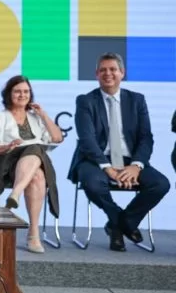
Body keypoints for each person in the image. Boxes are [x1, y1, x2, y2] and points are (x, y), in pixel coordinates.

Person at [68, 52, 170, 252]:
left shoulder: (137, 100)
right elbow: (87, 140)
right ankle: (123, 223)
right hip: (95, 159)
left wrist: (136, 165)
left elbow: (146, 137)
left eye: (113, 69)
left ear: (122, 73)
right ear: (96, 74)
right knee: (93, 184)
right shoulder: (85, 101)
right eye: (103, 70)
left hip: (130, 160)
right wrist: (107, 168)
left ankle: (117, 225)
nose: (108, 74)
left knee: (160, 184)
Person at [0, 75, 63, 254]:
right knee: (35, 150)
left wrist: (43, 114)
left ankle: (16, 197)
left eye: (26, 91)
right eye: (17, 91)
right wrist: (7, 146)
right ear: (9, 94)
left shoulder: (36, 117)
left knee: (37, 172)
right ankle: (33, 234)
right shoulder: (0, 116)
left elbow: (57, 138)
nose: (22, 95)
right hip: (9, 165)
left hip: (35, 166)